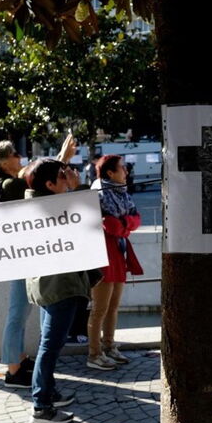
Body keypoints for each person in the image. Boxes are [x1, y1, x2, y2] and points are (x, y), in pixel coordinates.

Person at [0, 134, 77, 389]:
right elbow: (38, 183)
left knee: (19, 312)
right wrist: (61, 159)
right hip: (22, 258)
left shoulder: (1, 184)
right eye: (14, 154)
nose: (19, 157)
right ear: (2, 162)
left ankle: (19, 360)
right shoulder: (10, 186)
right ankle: (14, 370)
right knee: (18, 312)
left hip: (19, 256)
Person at [25, 158, 92, 423]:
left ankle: (49, 392)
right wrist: (77, 191)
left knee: (48, 343)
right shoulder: (53, 209)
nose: (69, 178)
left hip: (48, 284)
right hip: (59, 285)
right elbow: (85, 222)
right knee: (50, 347)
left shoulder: (36, 202)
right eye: (63, 176)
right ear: (50, 184)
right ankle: (41, 407)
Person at [88, 155, 143, 371]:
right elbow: (109, 225)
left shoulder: (122, 194)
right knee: (99, 308)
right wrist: (125, 225)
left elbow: (135, 219)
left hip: (119, 252)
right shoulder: (98, 194)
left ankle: (109, 346)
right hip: (103, 254)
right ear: (110, 173)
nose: (126, 172)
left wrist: (124, 224)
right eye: (122, 168)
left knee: (113, 306)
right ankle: (94, 354)